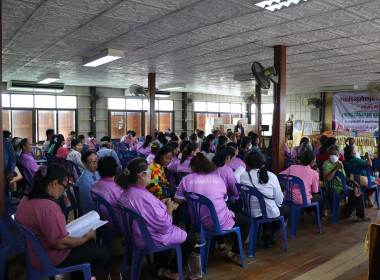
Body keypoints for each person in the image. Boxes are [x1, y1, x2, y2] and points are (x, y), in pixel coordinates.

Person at [15, 164, 109, 278]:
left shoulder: (26, 199)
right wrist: (84, 238)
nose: (64, 191)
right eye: (64, 186)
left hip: (36, 252)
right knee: (104, 253)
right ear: (55, 183)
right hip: (51, 257)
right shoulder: (49, 208)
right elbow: (60, 243)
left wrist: (84, 240)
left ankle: (81, 274)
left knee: (90, 245)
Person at [117, 158, 196, 279]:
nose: (151, 174)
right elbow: (165, 226)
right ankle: (172, 271)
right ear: (142, 175)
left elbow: (146, 211)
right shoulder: (144, 196)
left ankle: (161, 267)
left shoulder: (126, 191)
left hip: (133, 235)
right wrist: (169, 209)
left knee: (173, 232)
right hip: (147, 238)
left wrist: (160, 205)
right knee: (190, 238)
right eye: (149, 172)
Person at [174, 153, 251, 264]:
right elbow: (224, 199)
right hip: (218, 222)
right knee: (246, 222)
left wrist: (190, 198)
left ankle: (220, 243)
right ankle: (233, 253)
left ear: (193, 167)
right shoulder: (217, 178)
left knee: (214, 213)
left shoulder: (186, 179)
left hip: (197, 221)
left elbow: (178, 200)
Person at [241, 151, 290, 248]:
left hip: (250, 212)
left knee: (268, 209)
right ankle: (269, 233)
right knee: (286, 209)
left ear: (247, 165)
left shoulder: (243, 176)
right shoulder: (271, 176)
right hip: (268, 212)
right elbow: (279, 201)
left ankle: (268, 233)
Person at [323, 145, 369, 221]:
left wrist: (353, 182)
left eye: (336, 154)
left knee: (358, 194)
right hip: (333, 187)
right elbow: (328, 179)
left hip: (343, 186)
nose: (334, 156)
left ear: (339, 155)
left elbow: (344, 177)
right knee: (358, 195)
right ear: (329, 155)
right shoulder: (326, 164)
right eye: (332, 154)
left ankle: (345, 212)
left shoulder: (340, 163)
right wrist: (336, 168)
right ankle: (357, 215)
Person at [280, 150, 326, 221]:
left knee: (309, 197)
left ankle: (307, 211)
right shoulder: (314, 173)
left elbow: (280, 176)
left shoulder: (292, 167)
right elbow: (315, 190)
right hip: (301, 200)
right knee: (318, 197)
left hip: (287, 197)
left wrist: (286, 185)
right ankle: (321, 217)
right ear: (311, 162)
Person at [91, 156, 123, 226]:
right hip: (117, 224)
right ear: (116, 169)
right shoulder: (118, 189)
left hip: (102, 221)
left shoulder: (94, 185)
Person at [77, 151, 100, 215]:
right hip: (91, 212)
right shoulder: (85, 180)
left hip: (98, 205)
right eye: (92, 162)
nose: (95, 163)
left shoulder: (97, 173)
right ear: (85, 164)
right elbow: (89, 202)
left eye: (96, 160)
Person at [3, 135, 17, 201]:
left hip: (4, 175)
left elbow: (12, 159)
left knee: (4, 199)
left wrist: (11, 170)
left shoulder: (5, 142)